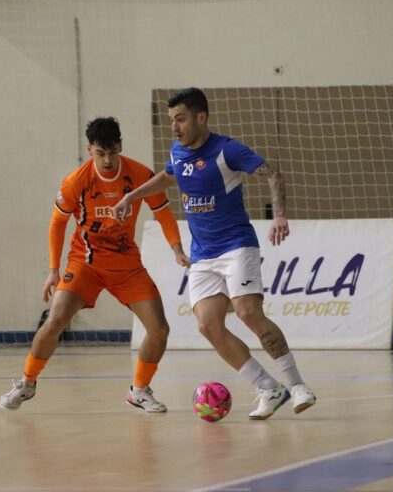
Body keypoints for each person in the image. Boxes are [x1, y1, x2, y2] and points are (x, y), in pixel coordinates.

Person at [113, 87, 316, 420]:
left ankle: (297, 386)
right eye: (171, 121)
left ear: (201, 117)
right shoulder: (178, 152)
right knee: (208, 325)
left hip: (236, 245)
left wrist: (279, 214)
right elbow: (166, 177)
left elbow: (272, 174)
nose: (175, 127)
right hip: (202, 255)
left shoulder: (227, 150)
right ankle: (268, 387)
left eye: (180, 119)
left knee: (248, 311)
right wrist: (129, 198)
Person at [0, 116, 190, 412]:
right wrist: (53, 270)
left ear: (120, 147)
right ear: (90, 150)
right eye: (101, 153)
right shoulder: (77, 181)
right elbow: (57, 223)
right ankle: (27, 382)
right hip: (85, 263)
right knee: (55, 320)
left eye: (113, 152)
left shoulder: (140, 174)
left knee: (160, 330)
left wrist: (177, 249)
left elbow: (163, 213)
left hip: (127, 265)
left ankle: (139, 391)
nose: (108, 160)